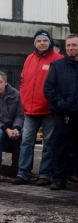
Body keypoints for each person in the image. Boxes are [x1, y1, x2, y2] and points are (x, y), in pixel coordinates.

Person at [13, 30, 63, 186]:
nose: (42, 43)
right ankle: (23, 174)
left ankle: (45, 175)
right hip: (30, 110)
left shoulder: (58, 59)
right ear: (35, 43)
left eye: (45, 41)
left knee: (48, 144)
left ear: (50, 43)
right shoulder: (29, 59)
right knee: (26, 142)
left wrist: (55, 103)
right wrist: (24, 98)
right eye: (39, 41)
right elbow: (23, 80)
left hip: (49, 110)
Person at [44, 34, 78, 190]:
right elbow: (48, 89)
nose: (71, 48)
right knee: (60, 147)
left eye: (74, 45)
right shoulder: (57, 66)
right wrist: (61, 104)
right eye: (68, 45)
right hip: (62, 114)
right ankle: (59, 179)